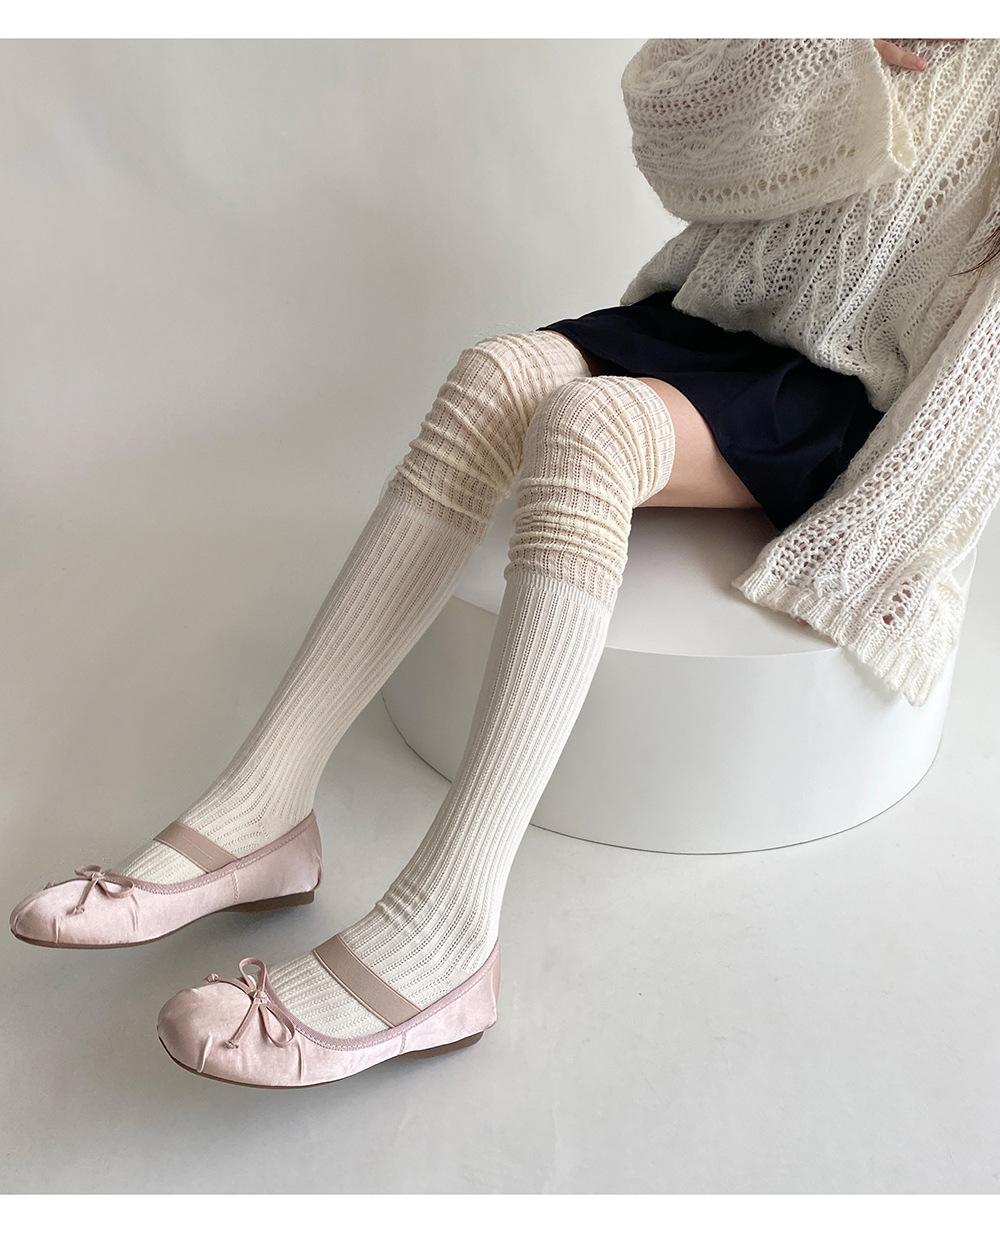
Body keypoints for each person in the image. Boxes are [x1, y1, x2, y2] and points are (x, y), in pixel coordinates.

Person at [10, 38, 1000, 1088]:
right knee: (490, 375)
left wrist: (883, 539)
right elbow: (674, 138)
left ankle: (448, 923)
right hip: (710, 321)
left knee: (588, 429)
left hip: (850, 400)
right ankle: (263, 803)